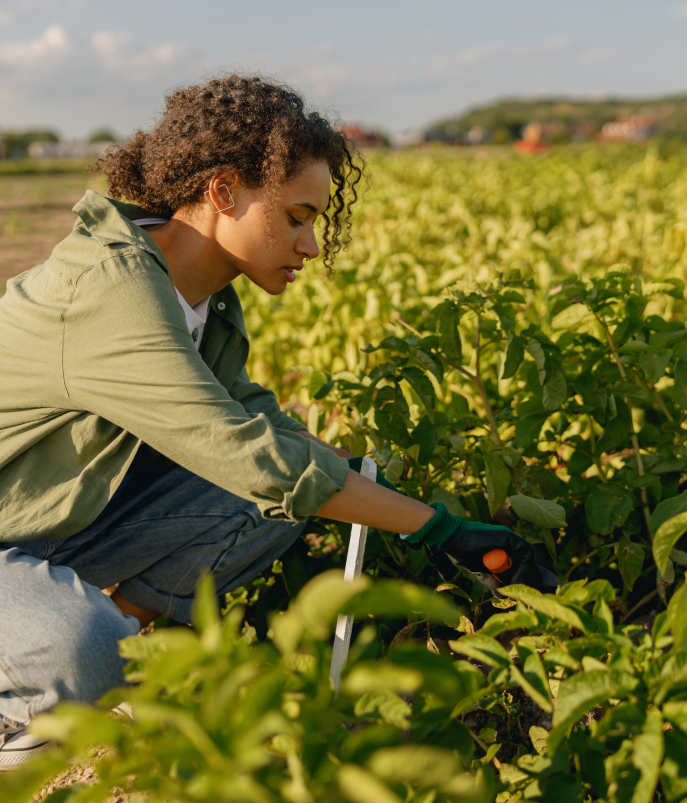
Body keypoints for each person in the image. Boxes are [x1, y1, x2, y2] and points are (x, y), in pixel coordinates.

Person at [0, 75, 542, 770]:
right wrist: (440, 527)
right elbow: (249, 455)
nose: (311, 245)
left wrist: (364, 481)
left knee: (271, 503)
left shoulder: (202, 300)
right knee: (88, 652)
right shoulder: (111, 290)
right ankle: (47, 683)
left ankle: (71, 658)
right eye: (295, 217)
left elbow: (261, 428)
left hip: (32, 528)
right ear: (222, 191)